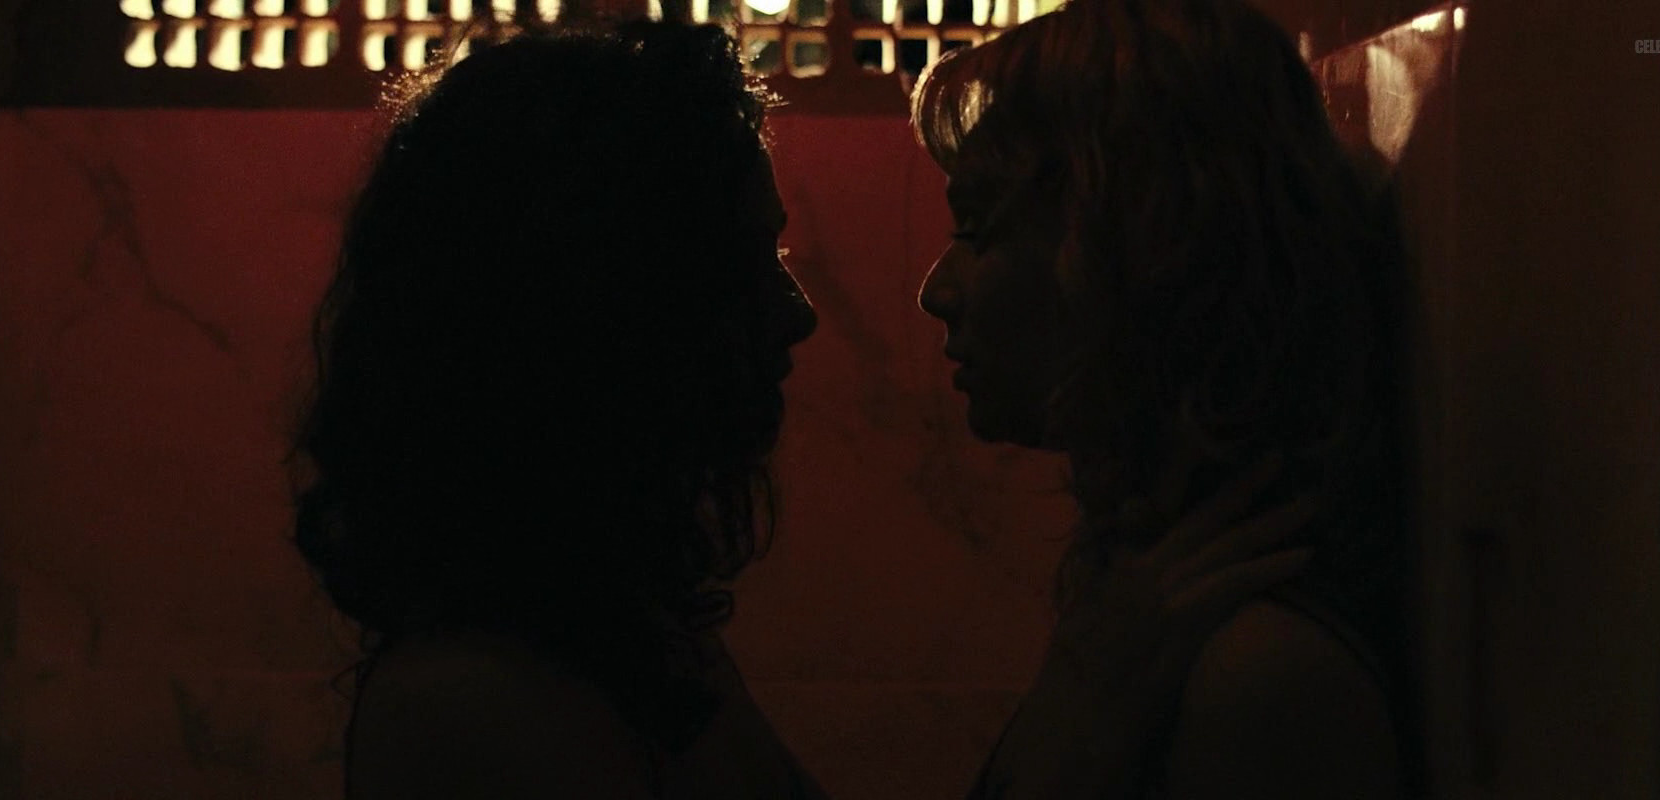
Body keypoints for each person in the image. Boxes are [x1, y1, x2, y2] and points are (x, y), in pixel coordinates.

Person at [291, 14, 1322, 800]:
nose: (796, 314)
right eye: (746, 263)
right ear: (603, 308)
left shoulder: (631, 637)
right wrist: (1071, 732)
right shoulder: (474, 703)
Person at [913, 0, 1419, 796]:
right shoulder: (1151, 612)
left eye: (977, 230)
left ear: (1133, 249)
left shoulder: (1259, 676)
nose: (936, 292)